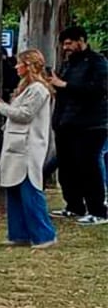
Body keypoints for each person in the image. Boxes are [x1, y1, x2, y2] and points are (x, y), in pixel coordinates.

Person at [0, 49, 58, 248]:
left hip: (28, 145)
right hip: (16, 144)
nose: (16, 67)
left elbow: (25, 114)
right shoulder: (26, 88)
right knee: (14, 189)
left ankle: (44, 234)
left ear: (28, 66)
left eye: (20, 64)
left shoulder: (38, 89)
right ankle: (19, 233)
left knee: (30, 189)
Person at [49, 25, 107, 223]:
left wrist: (65, 86)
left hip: (91, 124)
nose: (66, 47)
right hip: (66, 123)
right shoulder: (68, 65)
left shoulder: (97, 62)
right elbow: (65, 92)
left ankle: (97, 210)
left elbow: (98, 90)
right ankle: (74, 206)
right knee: (67, 168)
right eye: (64, 44)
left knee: (88, 167)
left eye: (69, 43)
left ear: (81, 40)